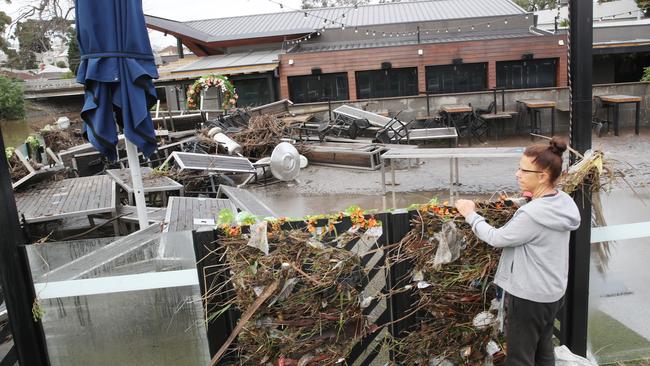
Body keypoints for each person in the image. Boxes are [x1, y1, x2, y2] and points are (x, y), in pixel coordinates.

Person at [454, 137, 581, 366]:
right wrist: (529, 199)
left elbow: (497, 238)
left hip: (529, 297)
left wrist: (470, 214)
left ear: (542, 176)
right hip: (552, 293)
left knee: (519, 359)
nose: (517, 174)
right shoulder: (562, 202)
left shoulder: (531, 215)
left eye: (523, 170)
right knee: (543, 352)